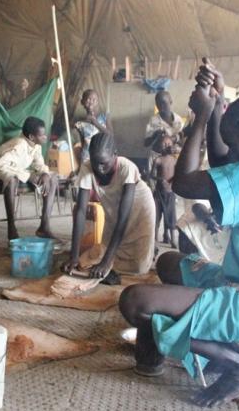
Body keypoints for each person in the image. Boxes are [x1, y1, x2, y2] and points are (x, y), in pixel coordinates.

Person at [119, 58, 239, 409]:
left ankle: (236, 364)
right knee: (168, 262)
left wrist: (203, 117)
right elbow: (226, 163)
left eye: (237, 146)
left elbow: (182, 182)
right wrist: (219, 102)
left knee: (134, 301)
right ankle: (196, 335)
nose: (231, 156)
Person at [61, 133, 155, 282]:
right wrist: (74, 256)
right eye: (95, 162)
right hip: (113, 204)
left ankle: (111, 265)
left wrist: (105, 263)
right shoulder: (87, 167)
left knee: (139, 266)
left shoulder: (126, 168)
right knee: (100, 252)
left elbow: (123, 218)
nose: (99, 168)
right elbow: (80, 211)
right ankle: (109, 265)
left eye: (103, 163)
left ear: (115, 155)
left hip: (139, 203)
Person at [0, 116, 57, 240]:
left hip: (16, 169)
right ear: (32, 137)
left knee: (51, 178)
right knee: (11, 180)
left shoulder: (36, 145)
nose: (45, 137)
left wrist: (44, 173)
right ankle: (11, 227)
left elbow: (39, 164)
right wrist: (28, 176)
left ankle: (44, 226)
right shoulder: (19, 145)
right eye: (42, 135)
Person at [144, 90, 184, 176]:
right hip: (156, 157)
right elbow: (146, 143)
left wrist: (176, 148)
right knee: (155, 182)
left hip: (174, 158)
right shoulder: (153, 121)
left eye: (164, 103)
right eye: (158, 104)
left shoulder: (179, 120)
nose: (161, 107)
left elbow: (183, 141)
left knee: (172, 183)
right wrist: (155, 135)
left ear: (170, 102)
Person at [152, 134, 178, 246]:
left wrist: (171, 181)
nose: (166, 146)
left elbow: (178, 175)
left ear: (172, 146)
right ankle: (154, 239)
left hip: (170, 192)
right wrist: (160, 179)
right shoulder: (158, 160)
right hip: (159, 193)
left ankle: (173, 240)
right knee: (156, 215)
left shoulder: (174, 160)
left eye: (168, 144)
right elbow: (151, 175)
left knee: (171, 216)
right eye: (164, 144)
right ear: (159, 146)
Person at [74, 89, 113, 162]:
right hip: (87, 157)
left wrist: (95, 122)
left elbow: (110, 135)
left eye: (94, 100)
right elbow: (81, 142)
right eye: (88, 99)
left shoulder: (105, 116)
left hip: (103, 155)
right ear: (82, 102)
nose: (91, 102)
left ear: (97, 102)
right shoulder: (80, 123)